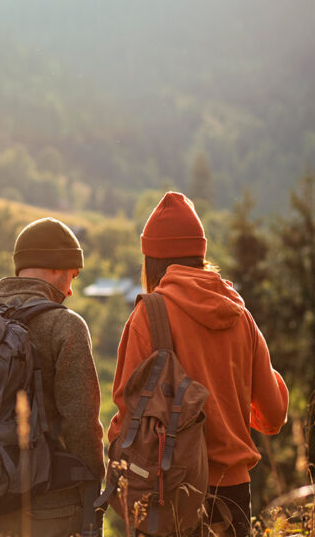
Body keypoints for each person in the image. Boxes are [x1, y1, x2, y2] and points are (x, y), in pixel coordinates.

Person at [108, 192, 289, 536]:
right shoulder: (241, 316)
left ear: (151, 261)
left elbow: (126, 415)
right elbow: (274, 415)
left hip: (169, 491)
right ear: (200, 255)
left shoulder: (148, 315)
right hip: (234, 494)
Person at [0, 217, 105, 536]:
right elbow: (81, 423)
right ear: (56, 267)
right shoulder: (65, 326)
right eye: (72, 275)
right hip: (54, 502)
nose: (69, 289)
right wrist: (96, 489)